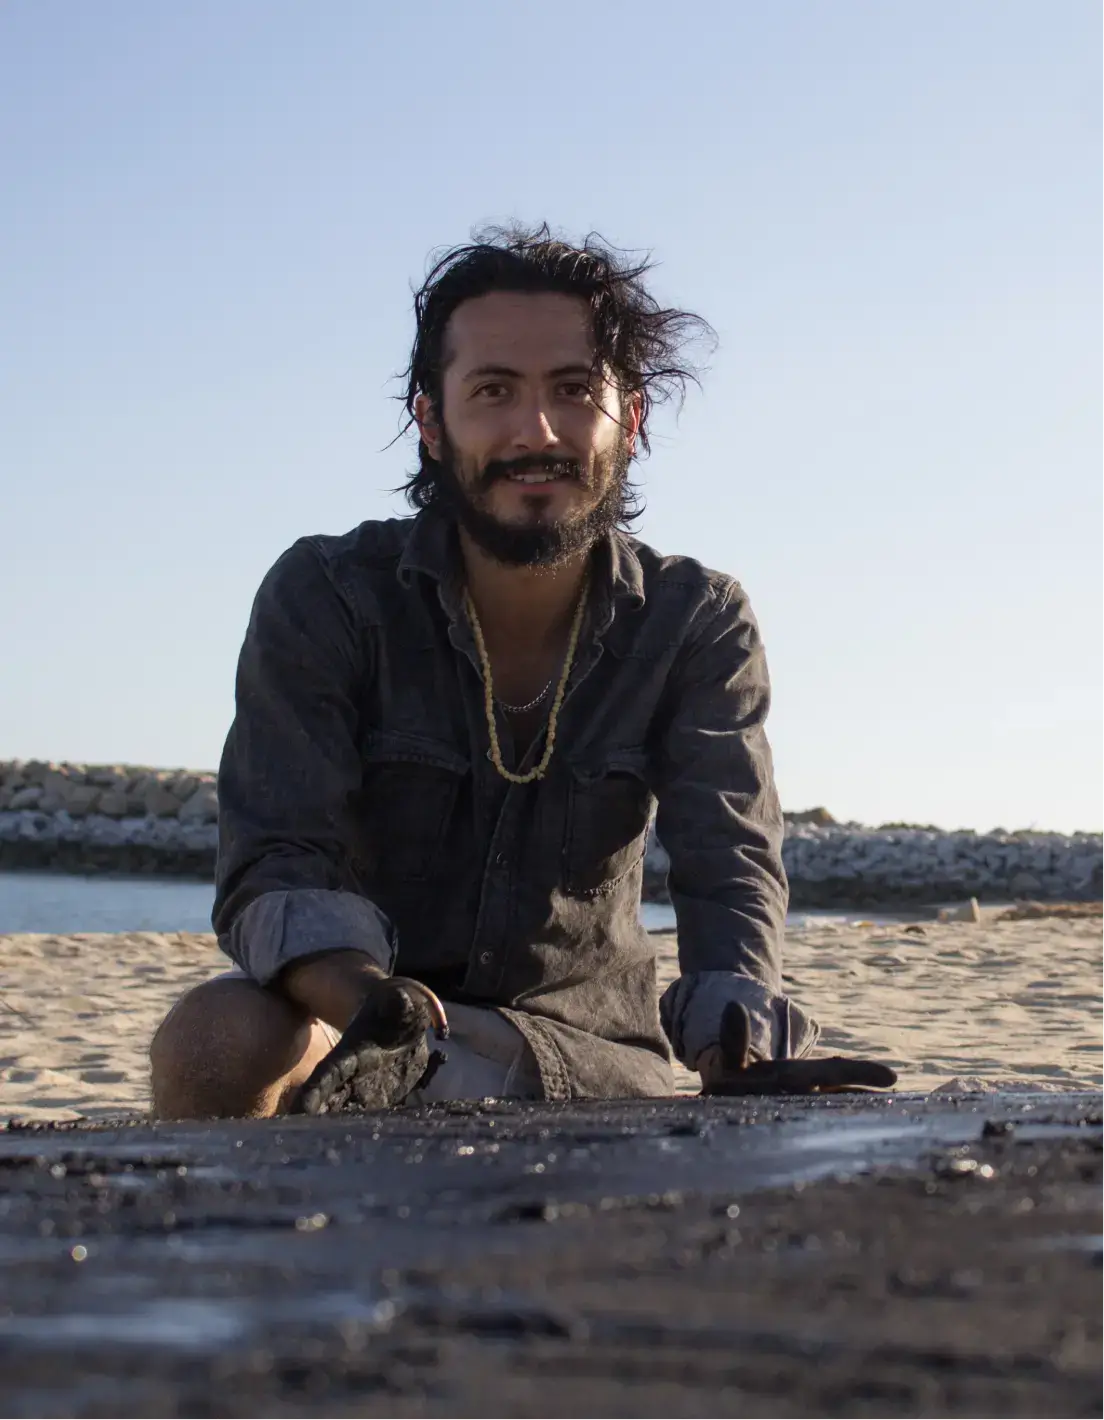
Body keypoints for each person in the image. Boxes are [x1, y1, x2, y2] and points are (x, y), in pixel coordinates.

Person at [149, 225, 825, 1119]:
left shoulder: (694, 620)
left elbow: (728, 862)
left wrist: (736, 1028)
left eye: (574, 390)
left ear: (631, 421)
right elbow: (276, 860)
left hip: (580, 1062)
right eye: (494, 390)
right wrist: (374, 1010)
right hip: (355, 1016)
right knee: (214, 1036)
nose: (535, 431)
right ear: (431, 422)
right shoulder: (330, 596)